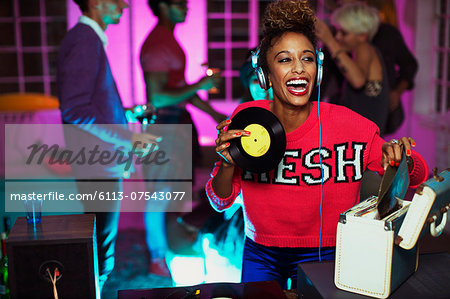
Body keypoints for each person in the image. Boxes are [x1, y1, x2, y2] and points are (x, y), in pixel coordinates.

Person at [205, 0, 419, 289]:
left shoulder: (350, 124)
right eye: (284, 60)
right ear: (265, 73)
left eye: (307, 58)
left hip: (330, 253)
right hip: (261, 253)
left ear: (318, 69)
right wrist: (228, 163)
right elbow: (220, 202)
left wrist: (402, 158)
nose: (298, 69)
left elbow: (415, 176)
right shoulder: (247, 120)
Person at [57, 0, 158, 291]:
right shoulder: (84, 40)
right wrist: (130, 137)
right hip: (97, 164)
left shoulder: (86, 39)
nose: (125, 5)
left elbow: (88, 105)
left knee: (100, 250)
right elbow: (75, 110)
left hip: (98, 162)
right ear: (96, 3)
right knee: (100, 257)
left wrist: (124, 113)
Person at [139, 0, 227, 276]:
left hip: (174, 123)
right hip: (163, 126)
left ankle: (167, 250)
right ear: (163, 5)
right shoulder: (156, 44)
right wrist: (201, 85)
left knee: (174, 193)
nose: (187, 7)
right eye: (179, 3)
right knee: (160, 194)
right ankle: (156, 257)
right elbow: (158, 98)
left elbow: (181, 90)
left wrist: (214, 113)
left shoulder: (167, 39)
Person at [315, 2, 389, 136]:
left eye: (344, 33)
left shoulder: (364, 48)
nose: (338, 37)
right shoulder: (357, 54)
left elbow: (358, 80)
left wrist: (330, 42)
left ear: (362, 36)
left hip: (367, 141)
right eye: (337, 31)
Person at [366, 0, 418, 134]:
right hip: (358, 105)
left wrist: (396, 92)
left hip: (381, 109)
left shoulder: (387, 33)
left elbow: (410, 65)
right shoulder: (344, 36)